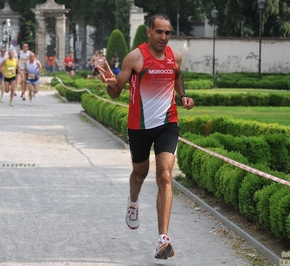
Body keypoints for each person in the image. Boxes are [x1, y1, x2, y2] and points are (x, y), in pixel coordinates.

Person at [97, 14, 194, 260]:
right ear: (149, 32)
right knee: (140, 172)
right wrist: (110, 83)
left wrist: (183, 96)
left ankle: (163, 239)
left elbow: (177, 75)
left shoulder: (175, 56)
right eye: (159, 32)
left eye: (168, 33)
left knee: (164, 175)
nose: (164, 37)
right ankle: (133, 202)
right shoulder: (135, 58)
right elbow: (116, 92)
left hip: (167, 123)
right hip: (139, 127)